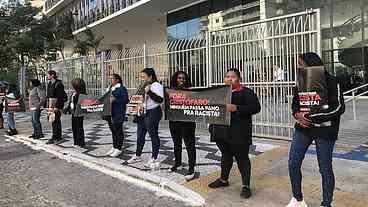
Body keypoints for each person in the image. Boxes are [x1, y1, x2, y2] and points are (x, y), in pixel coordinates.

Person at [286, 53, 345, 207]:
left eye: (300, 64)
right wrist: (297, 115)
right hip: (303, 129)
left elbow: (338, 108)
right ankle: (297, 199)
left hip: (325, 131)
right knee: (293, 162)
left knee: (325, 168)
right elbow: (295, 105)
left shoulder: (332, 81)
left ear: (311, 64)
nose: (297, 67)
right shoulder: (301, 81)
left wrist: (312, 117)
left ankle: (326, 204)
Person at [208, 68, 261, 199]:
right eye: (227, 76)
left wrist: (237, 108)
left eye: (233, 76)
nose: (229, 79)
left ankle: (246, 186)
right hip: (222, 132)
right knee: (225, 156)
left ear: (239, 78)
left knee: (242, 159)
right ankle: (223, 180)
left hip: (239, 132)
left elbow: (256, 108)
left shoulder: (246, 92)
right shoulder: (219, 92)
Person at [127, 68, 164, 167]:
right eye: (141, 77)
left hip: (153, 112)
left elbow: (160, 99)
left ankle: (154, 158)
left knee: (153, 135)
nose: (141, 78)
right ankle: (137, 155)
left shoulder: (156, 85)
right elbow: (140, 98)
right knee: (140, 135)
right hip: (142, 112)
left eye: (143, 76)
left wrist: (150, 93)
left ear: (150, 76)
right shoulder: (142, 85)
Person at [168, 71, 197, 181]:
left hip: (187, 123)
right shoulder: (170, 91)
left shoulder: (191, 90)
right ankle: (178, 163)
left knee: (190, 145)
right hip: (174, 121)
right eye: (179, 78)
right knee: (176, 143)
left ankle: (191, 168)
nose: (181, 80)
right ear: (175, 79)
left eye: (183, 78)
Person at [105, 74, 129, 157]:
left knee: (118, 130)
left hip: (118, 112)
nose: (110, 80)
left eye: (112, 79)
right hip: (109, 113)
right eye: (110, 78)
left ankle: (119, 148)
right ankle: (114, 146)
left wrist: (116, 100)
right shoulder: (109, 89)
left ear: (117, 80)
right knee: (113, 130)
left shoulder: (122, 89)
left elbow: (126, 100)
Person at [46, 70, 68, 144]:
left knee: (56, 120)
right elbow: (48, 95)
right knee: (52, 120)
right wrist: (48, 106)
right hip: (51, 104)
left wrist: (57, 107)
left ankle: (56, 137)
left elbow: (60, 96)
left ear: (52, 75)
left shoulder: (58, 84)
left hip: (57, 105)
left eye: (48, 75)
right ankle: (56, 136)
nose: (47, 76)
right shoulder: (49, 83)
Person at [64, 78, 87, 148]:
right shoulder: (73, 93)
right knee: (74, 127)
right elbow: (70, 102)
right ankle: (76, 141)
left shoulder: (82, 94)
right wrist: (67, 108)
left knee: (79, 127)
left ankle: (81, 142)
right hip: (73, 112)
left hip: (79, 113)